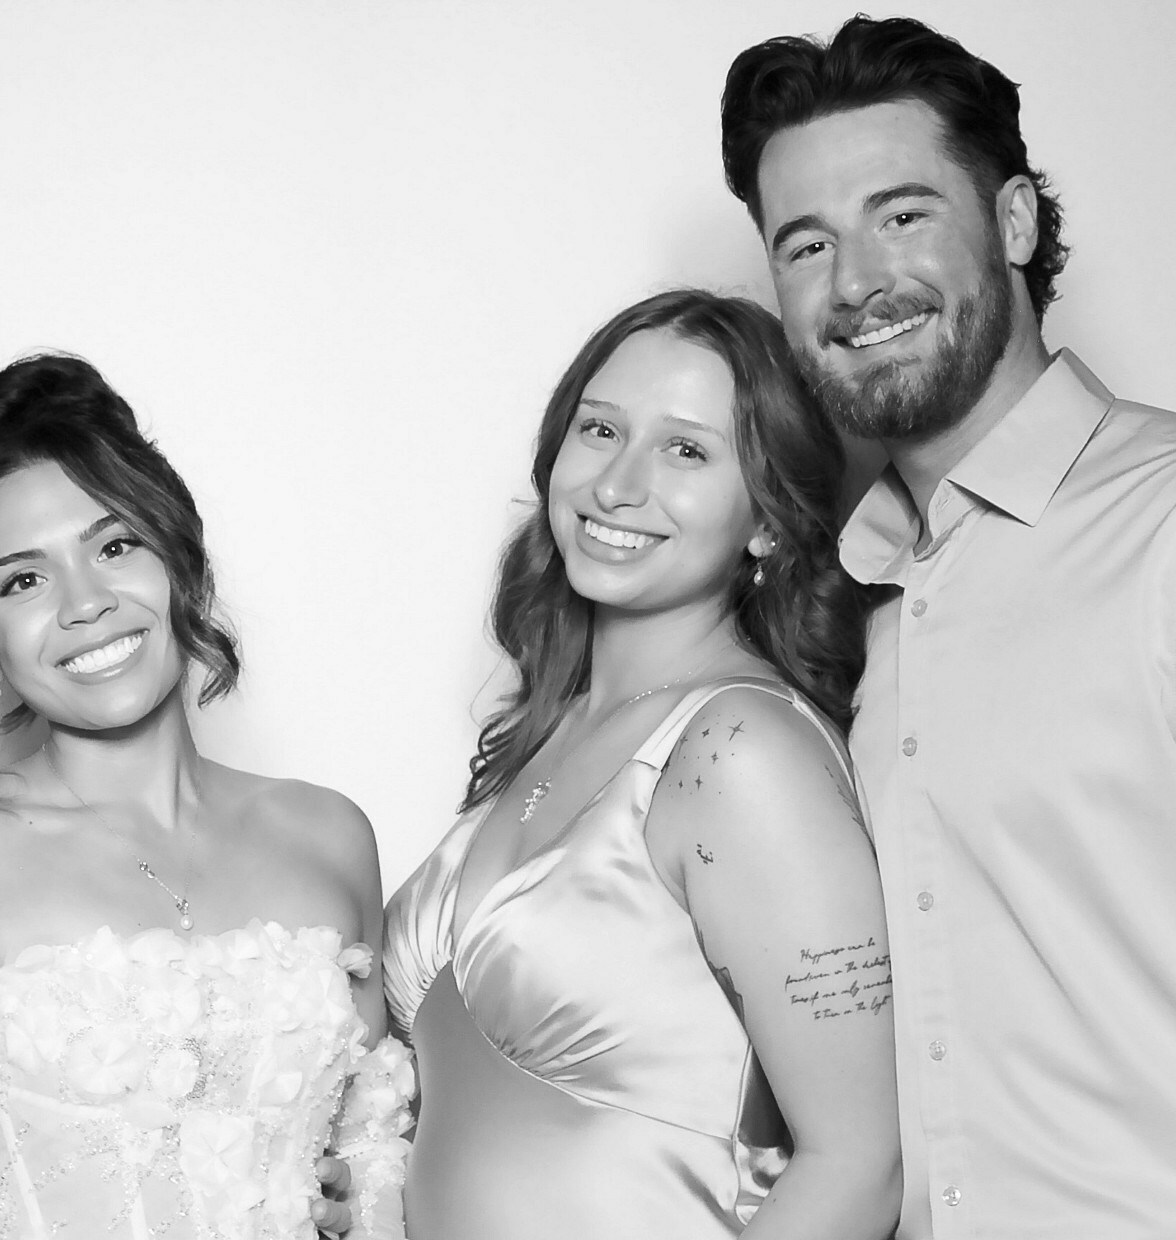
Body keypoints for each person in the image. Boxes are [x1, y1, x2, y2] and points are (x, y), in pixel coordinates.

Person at [721, 16, 1176, 1238]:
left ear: (1011, 223)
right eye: (806, 244)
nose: (854, 283)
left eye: (900, 215)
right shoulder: (838, 606)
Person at [0, 354, 412, 1239]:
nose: (85, 602)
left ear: (181, 567)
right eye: (23, 579)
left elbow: (372, 1168)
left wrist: (356, 1203)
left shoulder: (330, 834)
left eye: (115, 545)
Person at [384, 289, 900, 1239]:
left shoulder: (740, 752)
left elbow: (861, 1168)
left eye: (686, 450)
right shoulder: (552, 728)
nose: (618, 486)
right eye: (601, 429)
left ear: (768, 520)